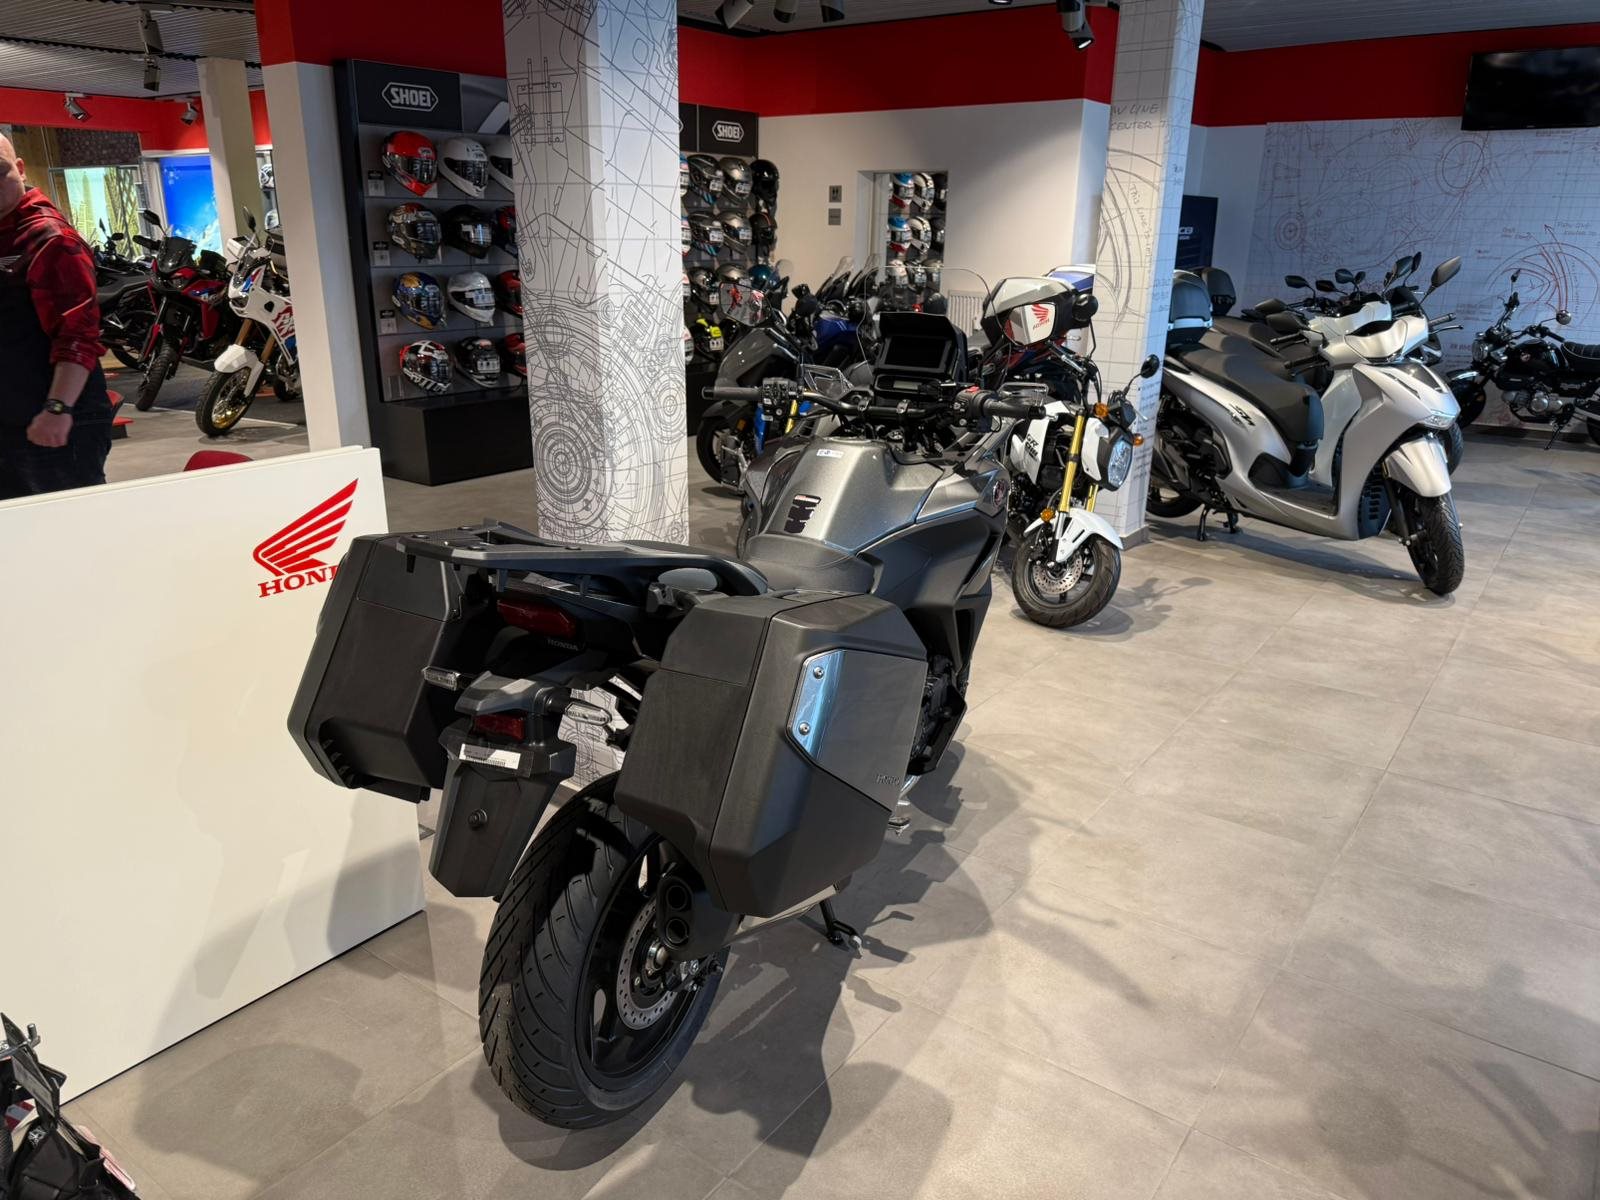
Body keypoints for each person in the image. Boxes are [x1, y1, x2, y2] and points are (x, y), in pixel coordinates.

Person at [0, 132, 114, 500]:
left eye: (0, 171)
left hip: (52, 417)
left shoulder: (49, 238)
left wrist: (57, 408)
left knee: (69, 522)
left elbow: (78, 335)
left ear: (20, 169)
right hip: (15, 413)